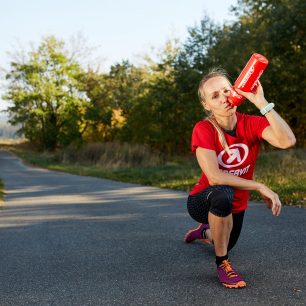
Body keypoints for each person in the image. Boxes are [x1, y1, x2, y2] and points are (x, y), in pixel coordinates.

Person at [184, 68, 296, 289]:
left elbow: (287, 141)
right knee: (223, 193)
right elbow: (215, 177)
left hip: (236, 205)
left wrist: (261, 101)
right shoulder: (203, 128)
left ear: (236, 91)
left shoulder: (251, 123)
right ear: (206, 105)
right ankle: (223, 264)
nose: (224, 98)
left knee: (224, 240)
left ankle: (203, 231)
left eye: (227, 90)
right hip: (202, 200)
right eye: (215, 96)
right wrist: (259, 185)